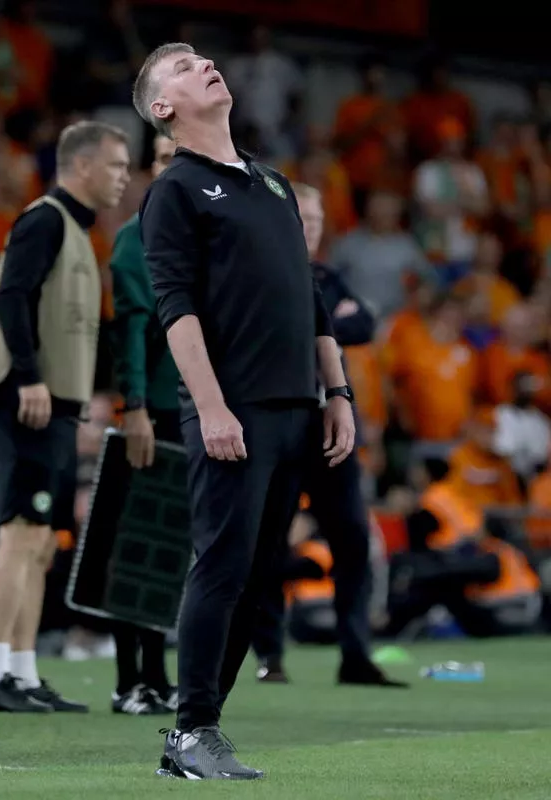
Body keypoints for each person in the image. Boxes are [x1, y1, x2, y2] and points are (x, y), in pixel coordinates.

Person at [133, 42, 355, 780]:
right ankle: (191, 730)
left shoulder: (273, 182)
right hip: (233, 406)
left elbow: (312, 298)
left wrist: (339, 393)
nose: (205, 66)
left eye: (204, 60)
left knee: (259, 578)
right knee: (223, 568)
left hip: (297, 406)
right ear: (164, 108)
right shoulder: (175, 190)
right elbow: (175, 307)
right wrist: (211, 406)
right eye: (184, 68)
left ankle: (201, 733)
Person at [0, 121, 130, 712]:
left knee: (39, 542)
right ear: (82, 166)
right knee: (20, 534)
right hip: (27, 401)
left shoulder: (78, 234)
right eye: (115, 166)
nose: (122, 178)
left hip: (56, 405)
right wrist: (29, 377)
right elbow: (12, 295)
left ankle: (22, 671)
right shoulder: (43, 220)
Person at [252, 182, 407, 688]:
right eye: (305, 218)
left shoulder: (323, 276)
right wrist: (325, 323)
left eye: (318, 220)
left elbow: (363, 322)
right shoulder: (264, 274)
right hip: (281, 422)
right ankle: (268, 654)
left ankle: (355, 653)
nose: (311, 229)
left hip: (330, 424)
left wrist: (318, 328)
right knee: (268, 541)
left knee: (353, 539)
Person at [108, 132, 180, 715]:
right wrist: (133, 407)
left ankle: (157, 673)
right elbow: (130, 330)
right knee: (140, 546)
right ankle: (129, 679)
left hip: (194, 410)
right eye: (162, 158)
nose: (172, 167)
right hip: (153, 411)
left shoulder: (204, 239)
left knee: (171, 548)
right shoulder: (135, 239)